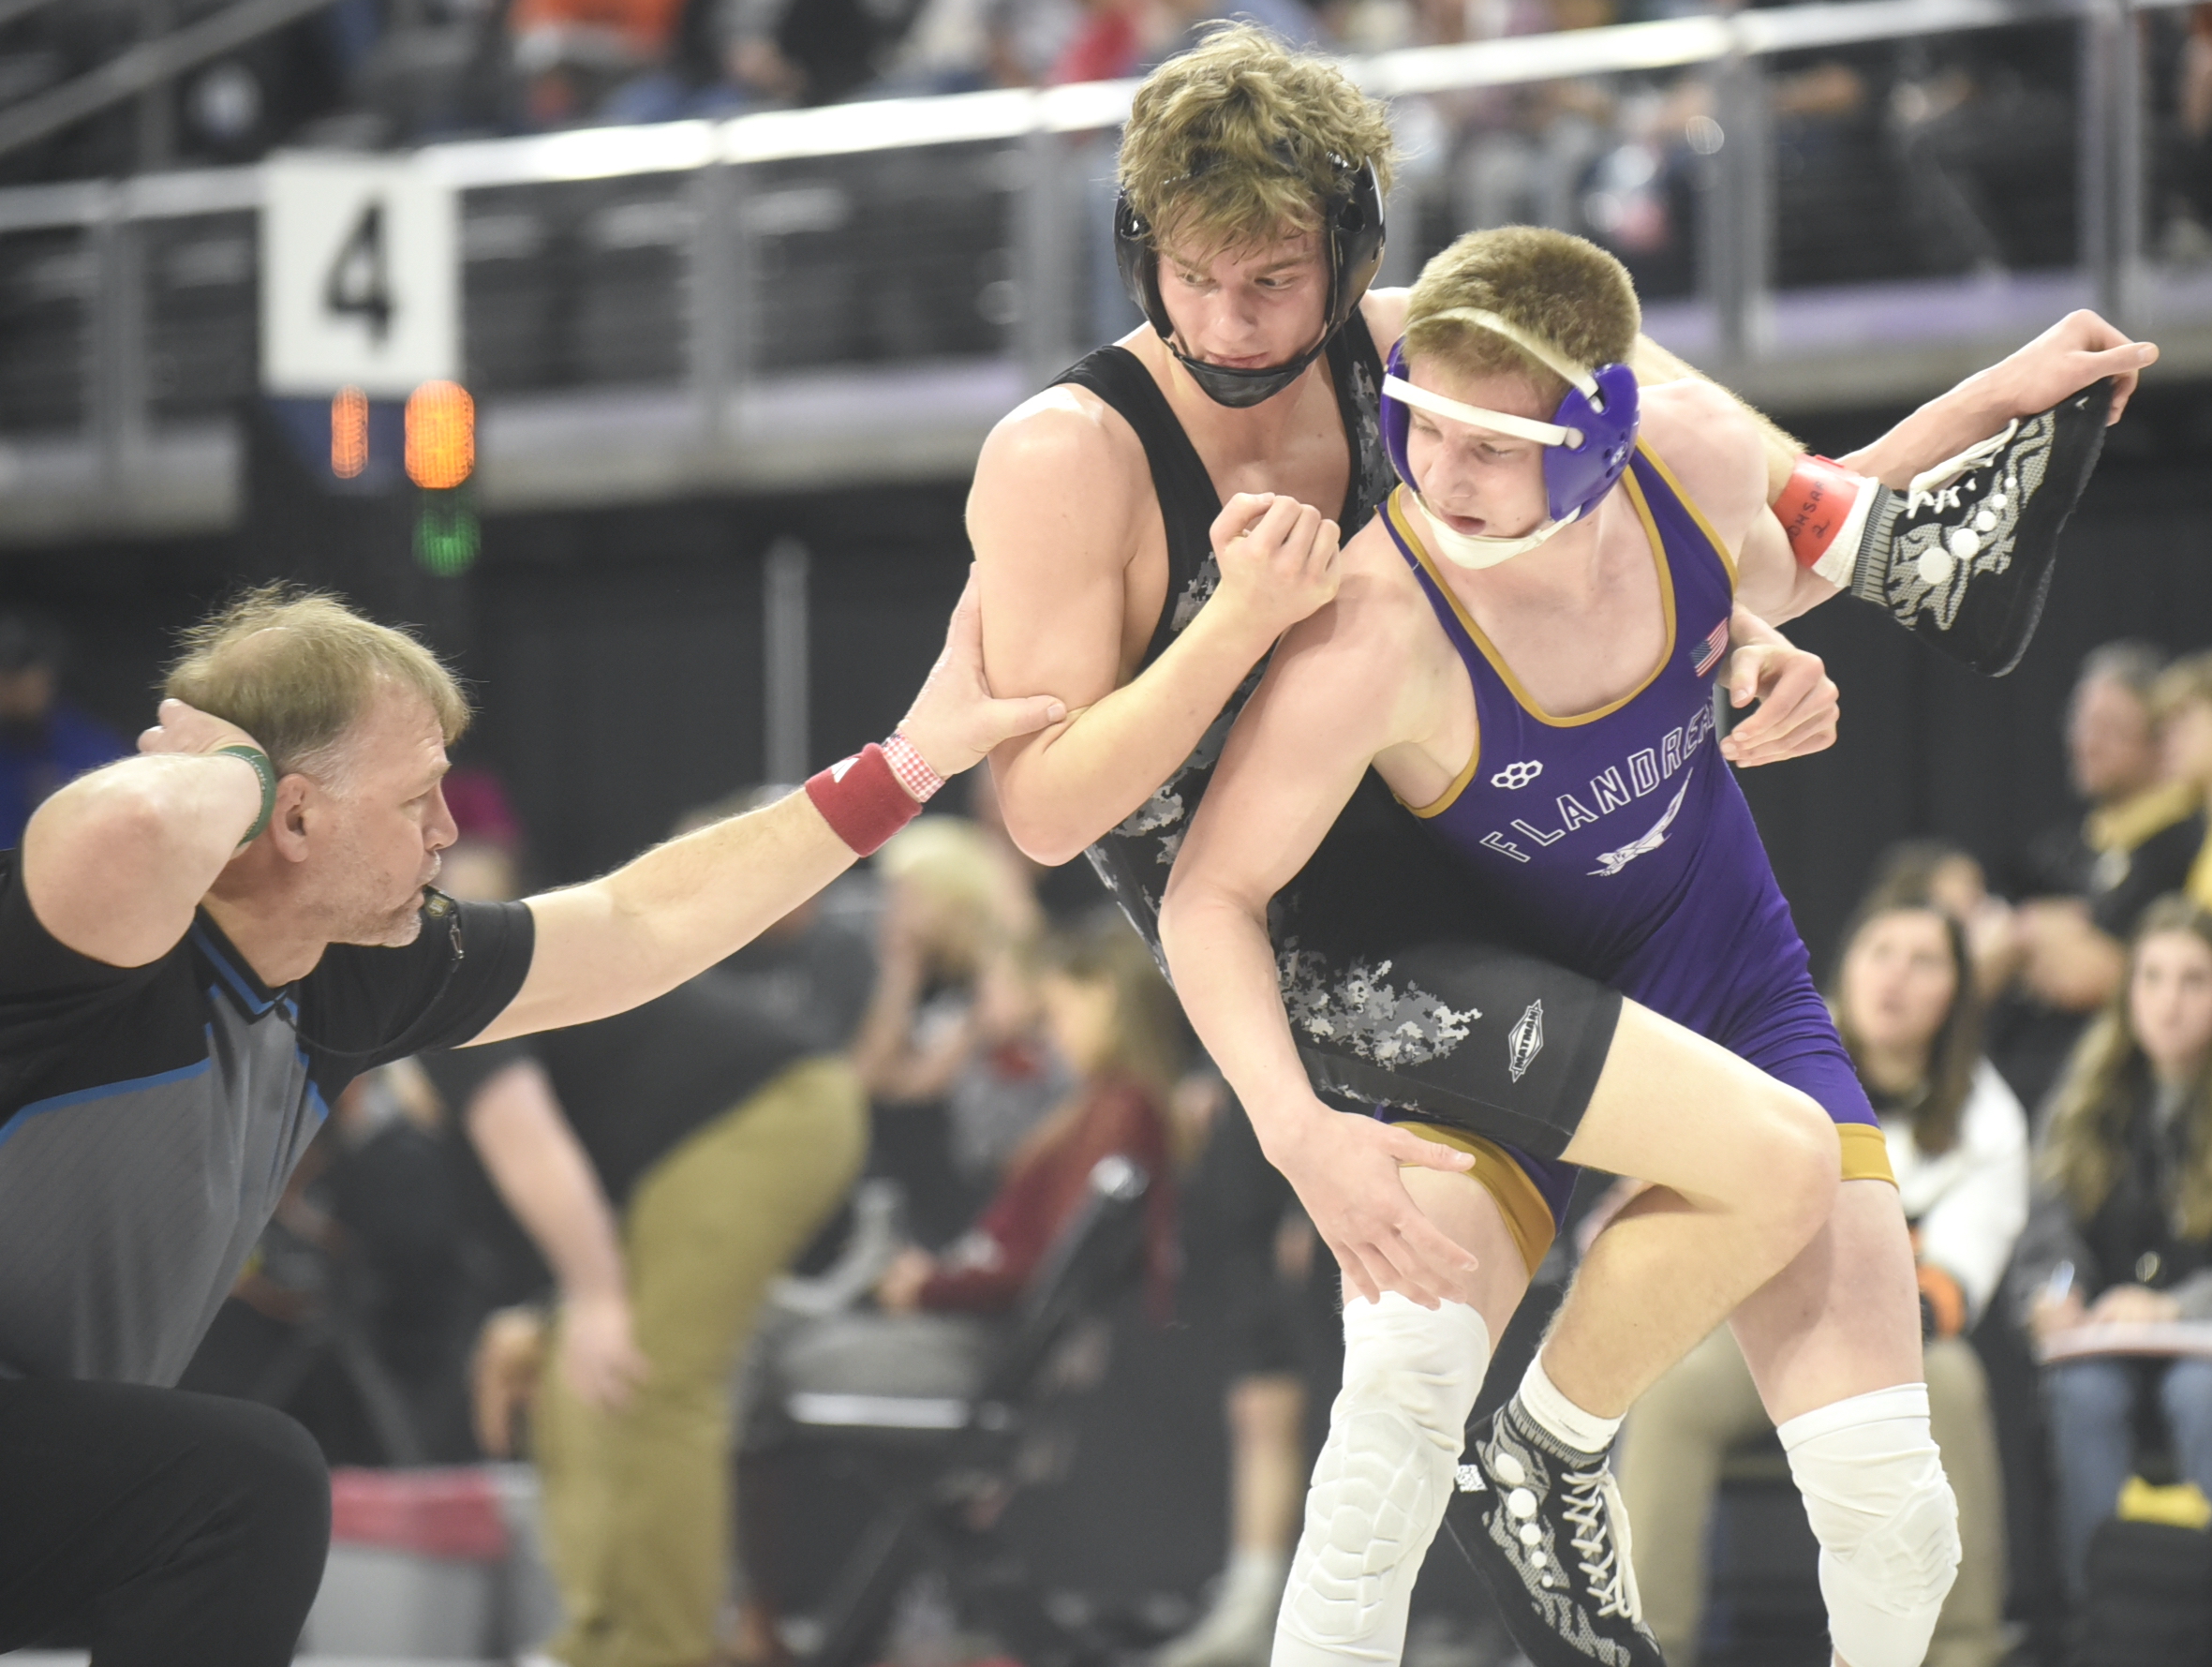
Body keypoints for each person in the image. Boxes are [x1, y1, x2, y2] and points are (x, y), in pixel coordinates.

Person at [972, 23, 2148, 1667]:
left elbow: (1719, 461)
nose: (1233, 326)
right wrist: (1236, 627)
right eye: (1194, 280)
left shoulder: (1430, 354)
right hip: (1358, 948)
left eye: (1274, 283)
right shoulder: (1112, 474)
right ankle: (1546, 1446)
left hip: (1598, 915)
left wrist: (1792, 588)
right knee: (1416, 1400)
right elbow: (1053, 820)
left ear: (1352, 257)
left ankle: (1546, 1446)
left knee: (1894, 1500)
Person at [0, 577, 1059, 1665]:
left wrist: (912, 761)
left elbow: (644, 919)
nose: (449, 833)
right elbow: (129, 823)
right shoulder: (99, 948)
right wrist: (232, 766)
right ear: (297, 813)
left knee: (223, 1514)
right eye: (418, 801)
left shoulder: (351, 981)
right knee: (244, 1489)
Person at [423, 796, 868, 1667]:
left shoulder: (433, 969)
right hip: (706, 1134)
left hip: (765, 1112)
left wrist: (591, 1293)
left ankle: (659, 1648)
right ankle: (599, 1636)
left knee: (650, 1377)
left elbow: (533, 1149)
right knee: (575, 1375)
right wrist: (554, 1305)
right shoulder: (428, 973)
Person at [1614, 886, 2030, 1667]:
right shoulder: (1763, 1063)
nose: (1895, 979)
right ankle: (1642, 1646)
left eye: (1924, 962)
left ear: (1957, 994)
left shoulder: (1988, 1120)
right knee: (1671, 1389)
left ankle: (1963, 1648)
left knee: (1958, 1379)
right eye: (1880, 954)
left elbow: (1952, 1284)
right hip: (1754, 1327)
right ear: (1844, 967)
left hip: (1895, 1343)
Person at [2012, 894, 2212, 1601]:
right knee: (2079, 1393)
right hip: (2101, 1338)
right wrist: (2053, 1292)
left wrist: (2175, 1308)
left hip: (2204, 1344)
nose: (2170, 1001)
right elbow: (2047, 1234)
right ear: (2128, 992)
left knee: (2201, 1394)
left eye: (2194, 980)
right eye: (2152, 977)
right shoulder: (2088, 1091)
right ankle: (2100, 1621)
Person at [1983, 643, 2204, 1109]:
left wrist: (2113, 967)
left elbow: (2092, 972)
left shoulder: (2185, 846)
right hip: (2024, 1079)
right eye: (2080, 723)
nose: (2086, 742)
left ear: (2157, 740)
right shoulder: (2064, 847)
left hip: (2123, 1093)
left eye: (2110, 728)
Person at [0, 610, 126, 851]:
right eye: (4, 675)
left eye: (21, 674)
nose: (11, 687)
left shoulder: (92, 750)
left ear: (46, 677)